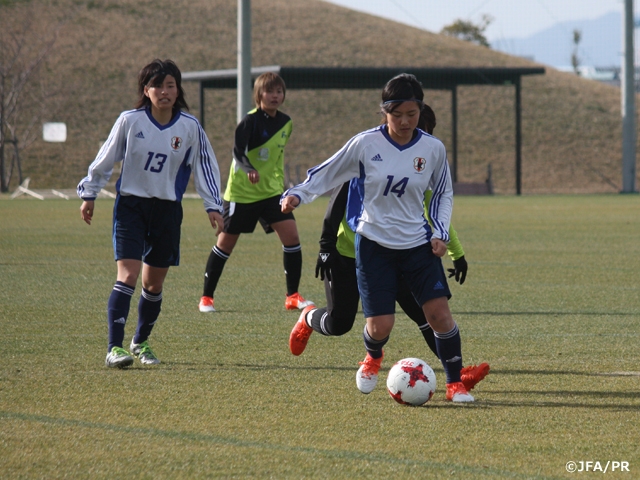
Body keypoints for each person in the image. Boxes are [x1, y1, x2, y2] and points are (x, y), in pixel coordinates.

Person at [281, 73, 476, 402]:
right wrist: (298, 194)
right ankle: (373, 357)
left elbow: (443, 193)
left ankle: (455, 384)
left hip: (417, 245)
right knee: (379, 327)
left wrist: (441, 234)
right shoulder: (365, 144)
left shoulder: (432, 149)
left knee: (439, 314)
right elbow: (327, 171)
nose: (404, 121)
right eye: (396, 114)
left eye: (411, 114)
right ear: (384, 111)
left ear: (421, 111)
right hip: (373, 246)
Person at [78, 59, 224, 368]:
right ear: (146, 90)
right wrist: (89, 193)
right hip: (131, 207)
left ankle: (140, 341)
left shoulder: (189, 126)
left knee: (153, 284)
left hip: (168, 211)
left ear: (177, 89)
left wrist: (213, 205)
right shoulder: (130, 121)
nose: (164, 91)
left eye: (170, 85)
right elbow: (106, 157)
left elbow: (206, 165)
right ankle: (114, 348)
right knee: (128, 275)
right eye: (157, 85)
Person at [199, 72, 312, 313]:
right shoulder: (249, 122)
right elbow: (238, 152)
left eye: (279, 91)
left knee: (291, 236)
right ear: (259, 94)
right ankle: (206, 297)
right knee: (226, 243)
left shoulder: (286, 122)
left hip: (271, 192)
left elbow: (277, 156)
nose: (275, 96)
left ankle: (292, 296)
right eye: (270, 91)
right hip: (243, 193)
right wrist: (249, 168)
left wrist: (280, 185)